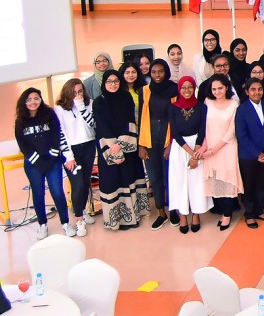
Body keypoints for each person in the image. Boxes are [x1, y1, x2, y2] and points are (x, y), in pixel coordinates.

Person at [92, 70, 151, 230]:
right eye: (109, 81)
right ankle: (116, 220)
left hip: (127, 147)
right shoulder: (98, 102)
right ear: (104, 83)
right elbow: (102, 127)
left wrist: (121, 144)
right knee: (113, 182)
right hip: (108, 148)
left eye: (116, 81)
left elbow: (131, 122)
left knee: (128, 179)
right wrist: (114, 150)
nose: (113, 84)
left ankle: (132, 217)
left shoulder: (126, 97)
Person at [14, 88, 73, 239]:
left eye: (36, 98)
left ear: (40, 99)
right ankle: (42, 225)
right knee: (38, 193)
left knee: (57, 192)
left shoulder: (50, 114)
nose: (33, 102)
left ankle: (65, 223)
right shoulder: (20, 120)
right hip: (33, 164)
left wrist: (51, 157)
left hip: (52, 161)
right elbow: (22, 144)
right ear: (24, 102)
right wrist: (36, 160)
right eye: (29, 99)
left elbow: (56, 135)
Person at [54, 80, 98, 235]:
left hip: (88, 146)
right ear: (67, 93)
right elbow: (61, 134)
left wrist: (81, 106)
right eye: (74, 92)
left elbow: (93, 124)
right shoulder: (59, 108)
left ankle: (83, 210)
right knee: (77, 183)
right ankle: (79, 220)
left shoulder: (89, 103)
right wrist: (68, 156)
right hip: (71, 150)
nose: (77, 95)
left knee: (86, 181)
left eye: (80, 91)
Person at [167, 77, 211, 233]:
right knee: (179, 181)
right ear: (179, 89)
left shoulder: (201, 107)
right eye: (183, 88)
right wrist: (192, 154)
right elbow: (175, 133)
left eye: (190, 87)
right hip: (180, 148)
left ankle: (196, 214)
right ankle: (183, 215)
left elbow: (202, 129)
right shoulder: (173, 107)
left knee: (196, 181)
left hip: (197, 145)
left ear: (194, 88)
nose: (187, 91)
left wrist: (196, 153)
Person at [138, 59, 177, 230]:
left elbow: (177, 118)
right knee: (154, 176)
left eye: (161, 71)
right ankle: (161, 213)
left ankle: (174, 210)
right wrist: (141, 145)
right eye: (154, 72)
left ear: (166, 72)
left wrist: (172, 144)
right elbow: (140, 116)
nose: (157, 75)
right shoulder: (144, 91)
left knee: (171, 176)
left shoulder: (175, 89)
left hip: (169, 137)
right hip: (150, 137)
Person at [201, 76, 242, 231]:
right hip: (210, 147)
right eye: (214, 89)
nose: (217, 91)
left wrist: (214, 150)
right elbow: (203, 126)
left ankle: (227, 214)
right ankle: (220, 209)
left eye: (220, 88)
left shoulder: (233, 104)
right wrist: (205, 147)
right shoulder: (207, 102)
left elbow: (231, 131)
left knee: (228, 179)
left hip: (227, 148)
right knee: (215, 179)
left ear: (226, 87)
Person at [235, 78, 264, 228]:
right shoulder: (242, 110)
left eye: (259, 89)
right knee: (249, 185)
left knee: (262, 184)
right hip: (249, 156)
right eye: (253, 89)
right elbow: (242, 135)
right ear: (247, 92)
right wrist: (257, 153)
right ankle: (250, 214)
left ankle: (260, 210)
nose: (257, 92)